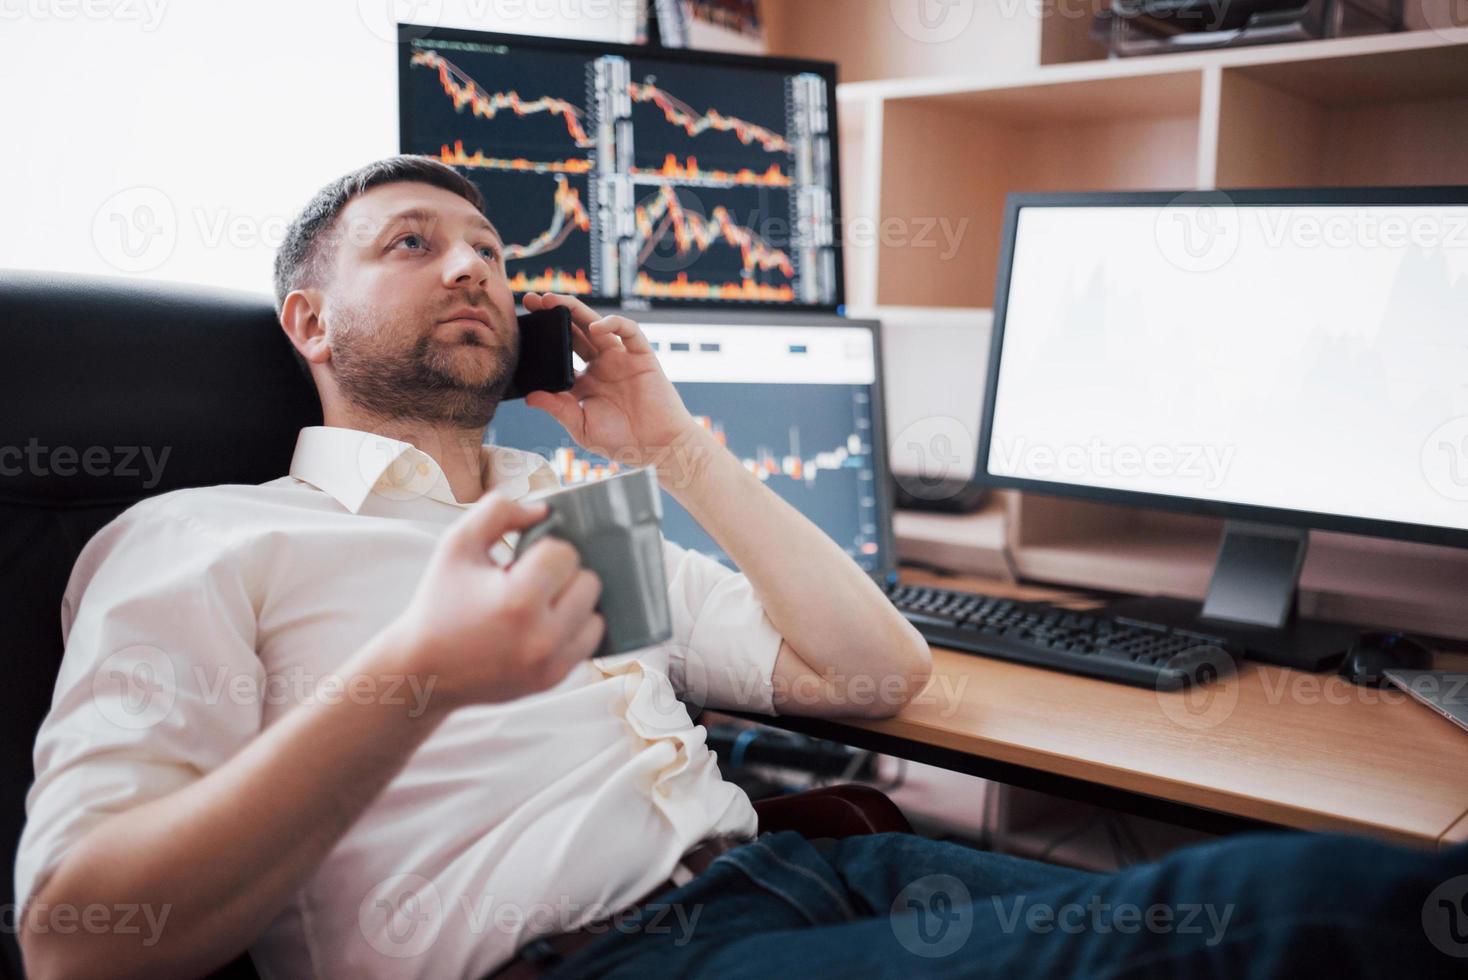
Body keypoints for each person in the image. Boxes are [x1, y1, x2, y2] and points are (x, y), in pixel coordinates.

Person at [15, 157, 1465, 980]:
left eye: (491, 251)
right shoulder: (208, 537)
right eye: (414, 244)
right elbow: (81, 936)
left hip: (794, 882)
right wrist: (421, 672)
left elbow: (870, 671)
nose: (476, 270)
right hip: (599, 966)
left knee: (1270, 894)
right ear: (310, 323)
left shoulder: (576, 512)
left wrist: (676, 450)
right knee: (1305, 921)